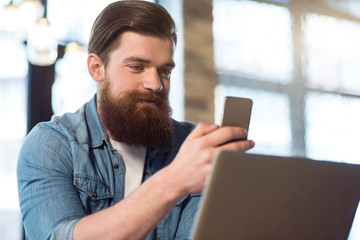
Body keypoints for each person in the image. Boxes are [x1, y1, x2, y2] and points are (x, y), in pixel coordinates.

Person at [17, 1, 255, 239]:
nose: (156, 84)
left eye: (165, 71)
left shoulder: (193, 147)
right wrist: (175, 180)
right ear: (96, 68)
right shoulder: (50, 145)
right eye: (137, 67)